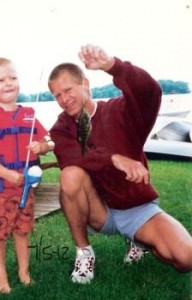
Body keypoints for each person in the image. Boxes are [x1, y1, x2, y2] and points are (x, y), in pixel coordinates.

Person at [48, 44, 192, 284]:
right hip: (98, 209)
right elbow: (73, 156)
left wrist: (112, 66)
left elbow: (150, 92)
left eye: (68, 90)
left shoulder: (121, 111)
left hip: (135, 208)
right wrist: (114, 158)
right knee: (70, 175)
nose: (63, 100)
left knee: (185, 258)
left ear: (85, 84)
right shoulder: (61, 128)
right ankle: (84, 253)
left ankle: (139, 240)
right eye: (57, 95)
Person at [0, 58, 54, 293]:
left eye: (13, 78)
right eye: (1, 79)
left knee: (22, 230)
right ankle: (1, 277)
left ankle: (24, 272)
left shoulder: (29, 114)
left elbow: (49, 141)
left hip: (24, 188)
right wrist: (6, 174)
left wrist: (42, 148)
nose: (8, 83)